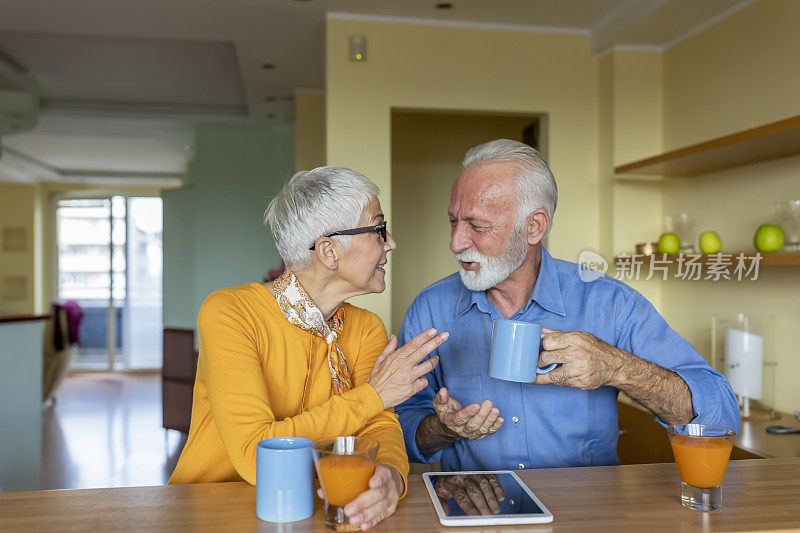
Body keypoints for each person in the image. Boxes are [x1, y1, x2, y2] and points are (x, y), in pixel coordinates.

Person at [396, 139, 740, 477]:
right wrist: (444, 429)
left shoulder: (610, 303)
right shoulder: (431, 309)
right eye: (453, 222)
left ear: (535, 227)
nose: (455, 243)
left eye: (477, 226)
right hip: (474, 515)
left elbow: (720, 415)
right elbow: (401, 428)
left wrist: (616, 368)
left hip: (586, 516)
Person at [170, 167, 448, 531]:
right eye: (379, 229)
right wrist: (373, 394)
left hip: (317, 509)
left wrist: (391, 479)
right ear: (329, 251)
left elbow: (379, 423)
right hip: (209, 511)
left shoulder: (366, 329)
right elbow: (259, 457)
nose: (391, 242)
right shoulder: (230, 312)